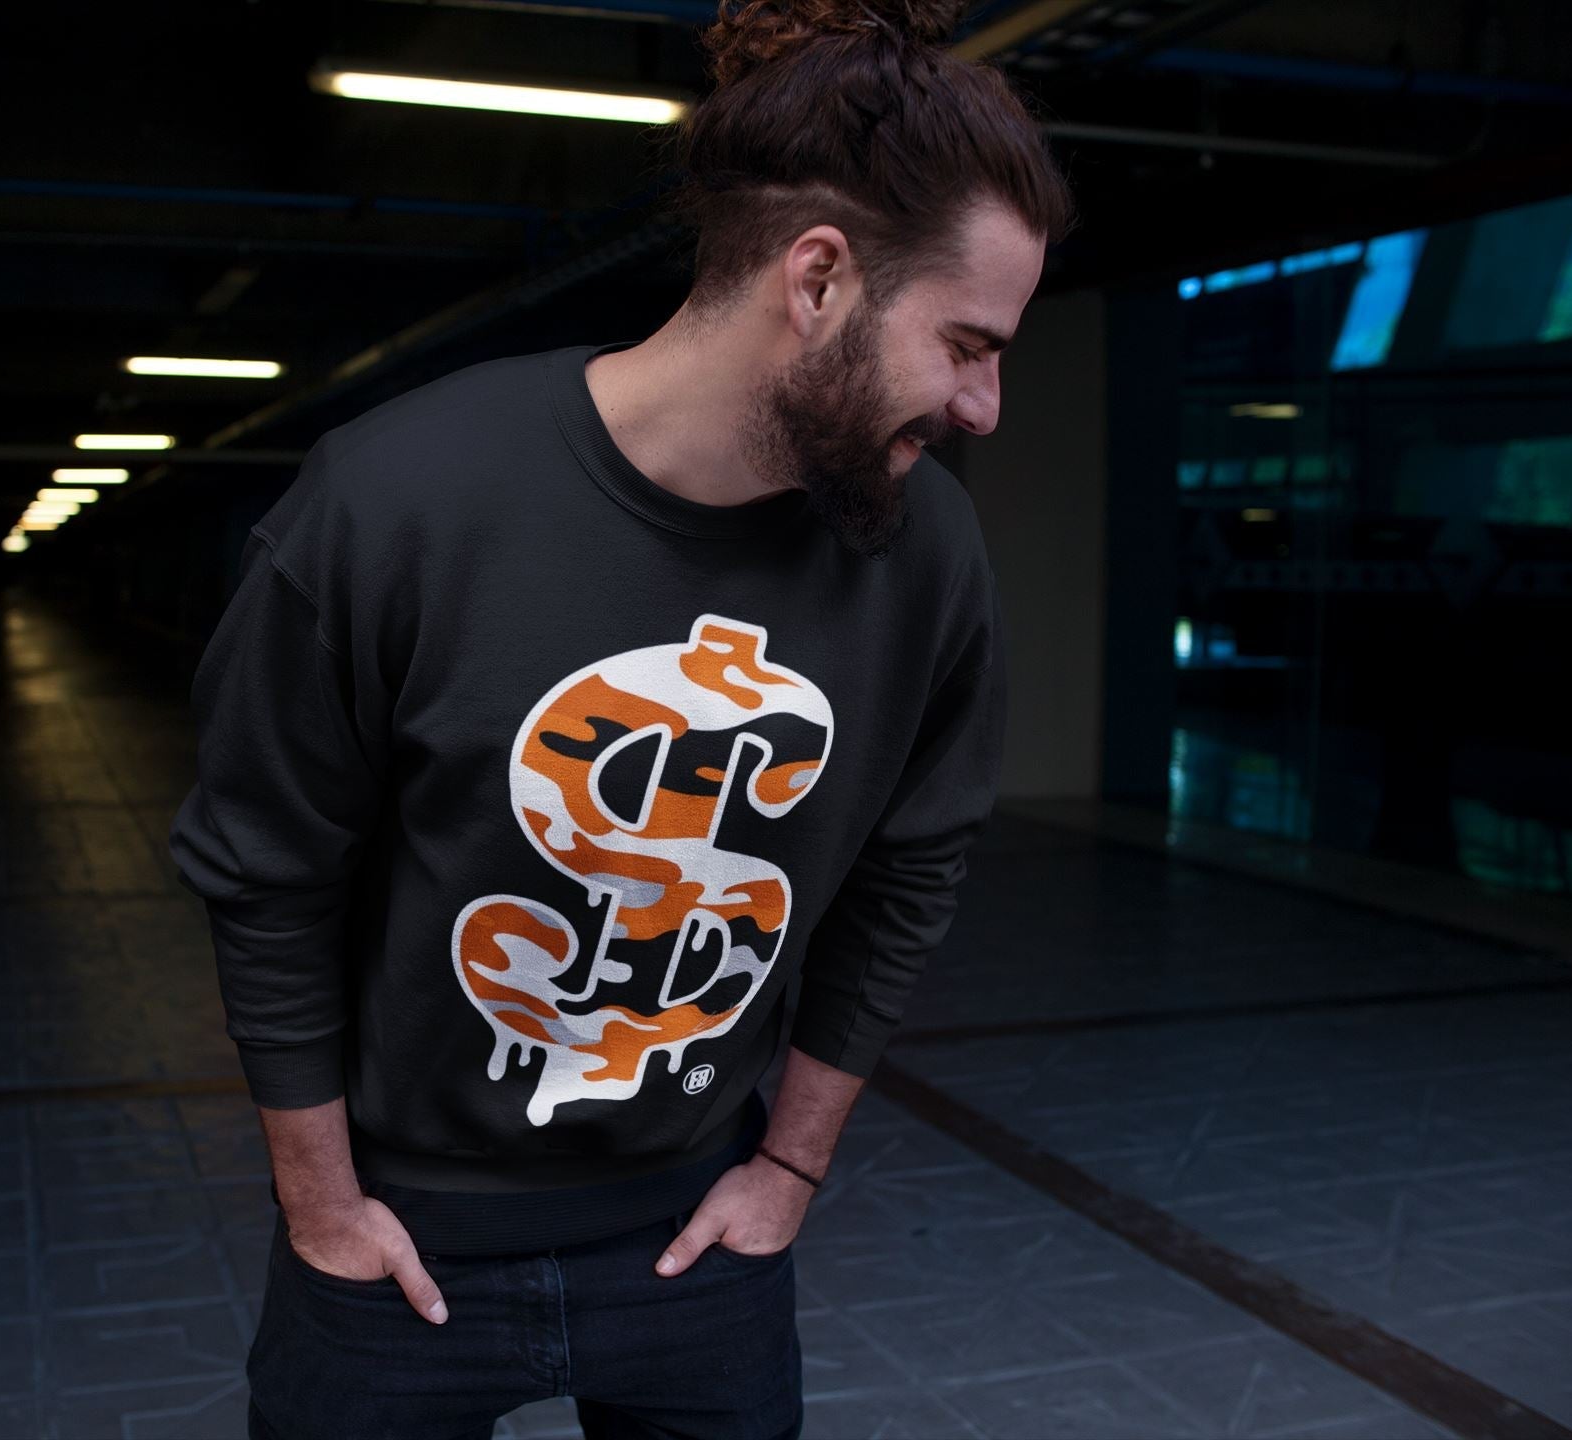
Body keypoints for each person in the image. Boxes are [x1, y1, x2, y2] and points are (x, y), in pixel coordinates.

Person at [168, 1, 1073, 1436]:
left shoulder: (926, 557)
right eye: (968, 342)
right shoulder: (399, 503)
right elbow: (267, 873)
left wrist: (790, 1170)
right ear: (819, 278)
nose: (986, 406)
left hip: (697, 1242)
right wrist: (322, 1206)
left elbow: (908, 877)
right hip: (395, 1248)